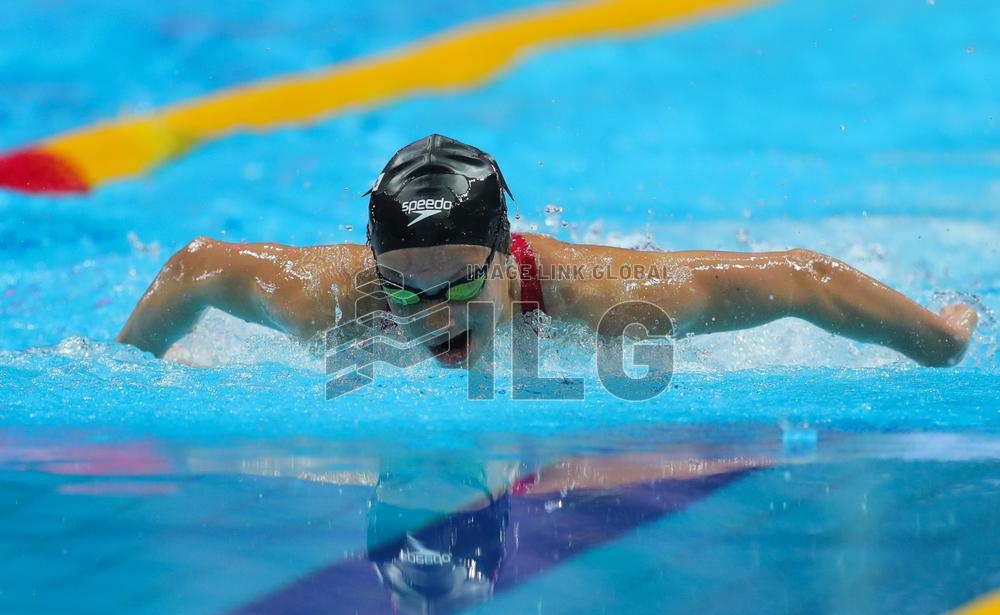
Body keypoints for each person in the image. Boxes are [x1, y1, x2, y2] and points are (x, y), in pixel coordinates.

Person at [117, 134, 978, 368]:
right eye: (404, 291)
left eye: (457, 284)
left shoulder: (602, 300)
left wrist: (941, 344)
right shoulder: (326, 300)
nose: (431, 316)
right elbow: (199, 265)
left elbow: (801, 278)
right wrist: (141, 364)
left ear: (503, 255)